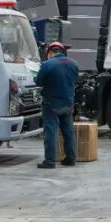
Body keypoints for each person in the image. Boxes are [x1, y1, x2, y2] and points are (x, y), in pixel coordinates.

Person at [34, 41, 79, 169]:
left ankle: (49, 161)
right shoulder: (74, 64)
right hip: (68, 102)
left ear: (50, 52)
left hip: (52, 103)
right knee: (68, 131)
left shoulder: (48, 64)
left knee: (50, 131)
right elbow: (75, 80)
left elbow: (39, 81)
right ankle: (70, 158)